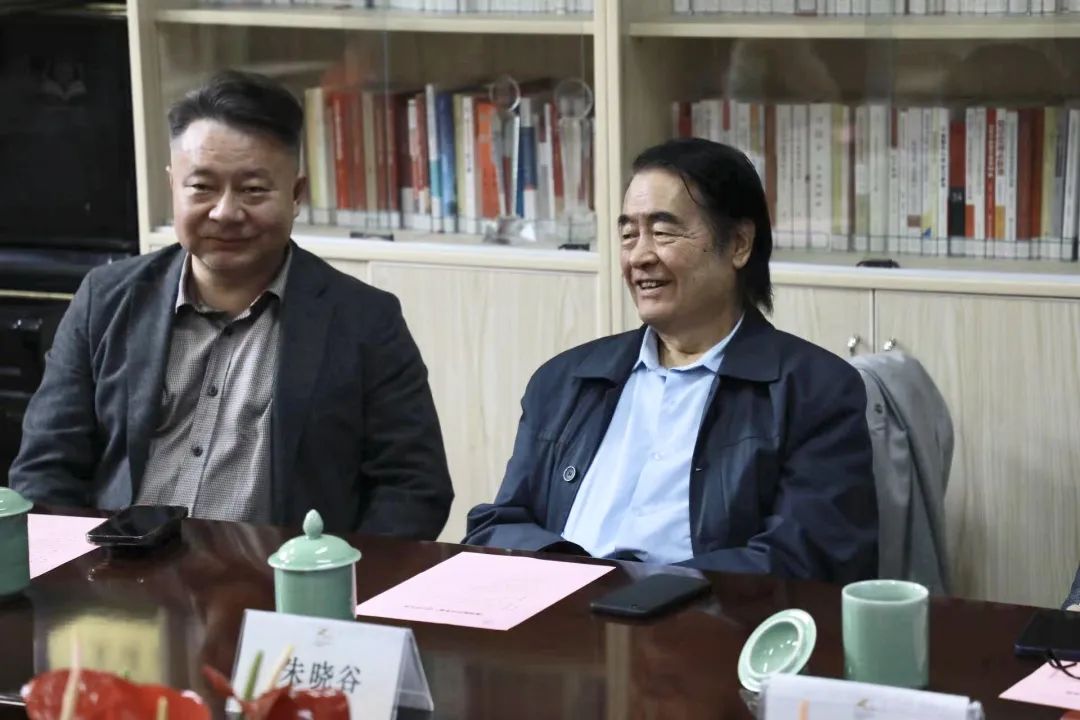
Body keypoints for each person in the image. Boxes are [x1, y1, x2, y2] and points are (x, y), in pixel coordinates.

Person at [10, 70, 453, 539]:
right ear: (173, 187)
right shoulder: (105, 299)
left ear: (296, 194)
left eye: (253, 190)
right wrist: (77, 570)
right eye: (202, 187)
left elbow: (413, 487)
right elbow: (45, 467)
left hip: (276, 576)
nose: (225, 212)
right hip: (119, 572)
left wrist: (335, 574)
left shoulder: (365, 320)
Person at [465, 138, 878, 582]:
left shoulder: (814, 390)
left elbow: (809, 556)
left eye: (663, 232)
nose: (640, 256)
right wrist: (577, 577)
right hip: (562, 610)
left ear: (739, 244)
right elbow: (498, 524)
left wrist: (647, 589)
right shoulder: (565, 381)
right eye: (629, 235)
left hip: (707, 617)